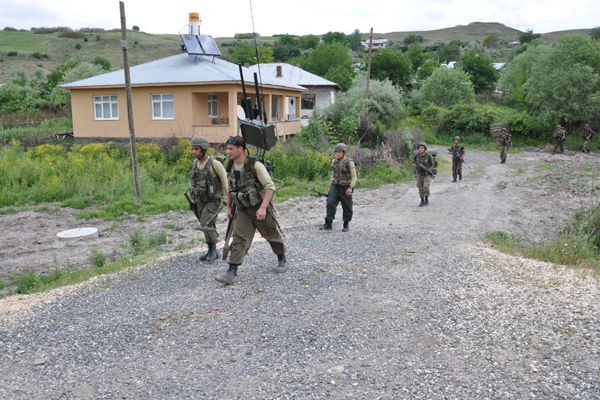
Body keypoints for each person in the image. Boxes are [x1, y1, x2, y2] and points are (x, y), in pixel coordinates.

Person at [215, 136, 286, 285]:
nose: (228, 151)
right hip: (242, 209)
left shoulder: (255, 165)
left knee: (271, 234)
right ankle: (231, 272)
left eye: (231, 149)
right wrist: (228, 207)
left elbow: (269, 187)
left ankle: (281, 257)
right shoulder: (231, 166)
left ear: (241, 149)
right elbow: (229, 189)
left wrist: (263, 208)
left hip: (258, 207)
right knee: (239, 238)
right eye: (227, 148)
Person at [189, 136, 228, 262]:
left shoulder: (215, 164)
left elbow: (225, 182)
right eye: (193, 149)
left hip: (213, 200)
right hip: (199, 200)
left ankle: (213, 250)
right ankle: (211, 249)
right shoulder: (195, 163)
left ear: (203, 149)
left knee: (205, 223)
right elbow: (193, 181)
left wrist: (228, 199)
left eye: (196, 149)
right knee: (208, 224)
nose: (193, 151)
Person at [320, 143, 357, 232]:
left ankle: (346, 224)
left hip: (345, 188)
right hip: (335, 186)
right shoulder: (334, 161)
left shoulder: (349, 162)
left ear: (344, 152)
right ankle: (328, 224)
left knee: (347, 206)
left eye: (340, 152)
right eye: (336, 152)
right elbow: (333, 175)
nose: (338, 153)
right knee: (330, 203)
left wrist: (350, 187)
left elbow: (354, 176)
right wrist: (330, 188)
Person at [413, 142, 435, 207]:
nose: (420, 149)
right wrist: (414, 166)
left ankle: (426, 199)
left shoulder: (428, 155)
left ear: (425, 149)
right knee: (420, 187)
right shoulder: (417, 155)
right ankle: (422, 200)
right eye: (419, 148)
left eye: (422, 148)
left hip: (427, 174)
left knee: (426, 186)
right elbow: (413, 162)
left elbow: (432, 164)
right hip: (419, 173)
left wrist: (429, 170)